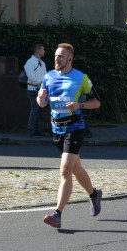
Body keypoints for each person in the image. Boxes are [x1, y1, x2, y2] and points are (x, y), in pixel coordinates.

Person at [36, 43, 102, 229]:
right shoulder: (48, 77)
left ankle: (57, 214)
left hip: (75, 127)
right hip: (56, 128)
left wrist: (79, 105)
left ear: (69, 59)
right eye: (56, 56)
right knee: (76, 168)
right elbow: (42, 103)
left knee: (65, 170)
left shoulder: (81, 78)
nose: (56, 59)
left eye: (61, 57)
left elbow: (96, 102)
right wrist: (41, 98)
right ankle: (94, 194)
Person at [24, 43, 47, 138]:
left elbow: (45, 76)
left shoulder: (42, 63)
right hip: (33, 90)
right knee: (35, 110)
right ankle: (32, 131)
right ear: (38, 50)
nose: (44, 51)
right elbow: (31, 78)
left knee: (38, 111)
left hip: (41, 90)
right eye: (43, 49)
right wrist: (42, 82)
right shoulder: (30, 62)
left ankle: (36, 130)